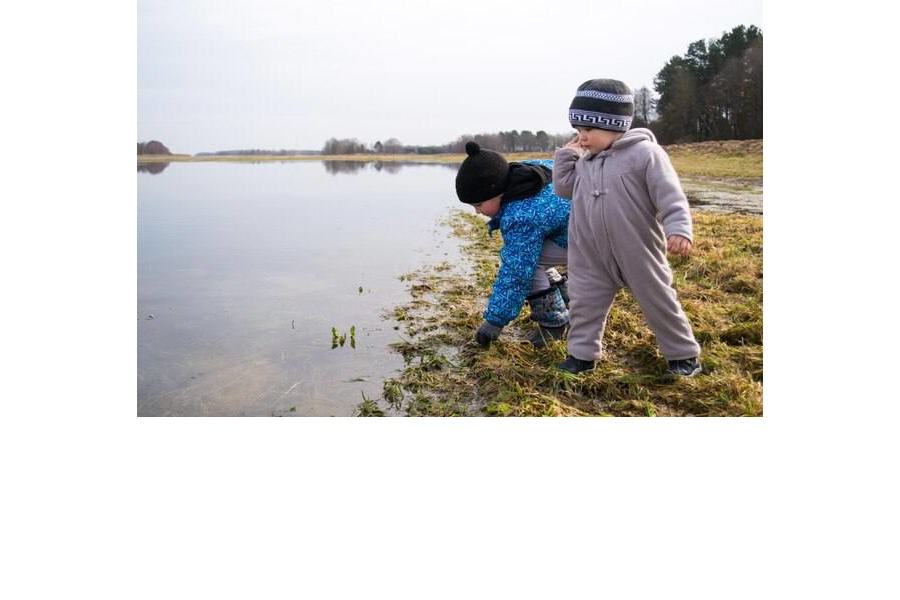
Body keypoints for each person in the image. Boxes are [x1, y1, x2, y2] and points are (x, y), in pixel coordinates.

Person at [553, 78, 702, 376]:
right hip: (590, 252)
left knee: (658, 300)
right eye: (578, 131)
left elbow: (670, 195)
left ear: (614, 125)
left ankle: (682, 354)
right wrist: (566, 156)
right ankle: (581, 355)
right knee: (584, 303)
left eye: (588, 130)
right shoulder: (585, 161)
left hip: (637, 248)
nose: (581, 138)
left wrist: (679, 228)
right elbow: (564, 188)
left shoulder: (645, 154)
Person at [454, 141, 570, 348]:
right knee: (531, 253)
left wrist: (494, 322)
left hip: (590, 239)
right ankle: (564, 295)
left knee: (527, 265)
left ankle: (554, 322)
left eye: (479, 204)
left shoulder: (521, 215)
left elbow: (516, 273)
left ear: (497, 192)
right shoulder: (527, 172)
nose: (477, 212)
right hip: (585, 224)